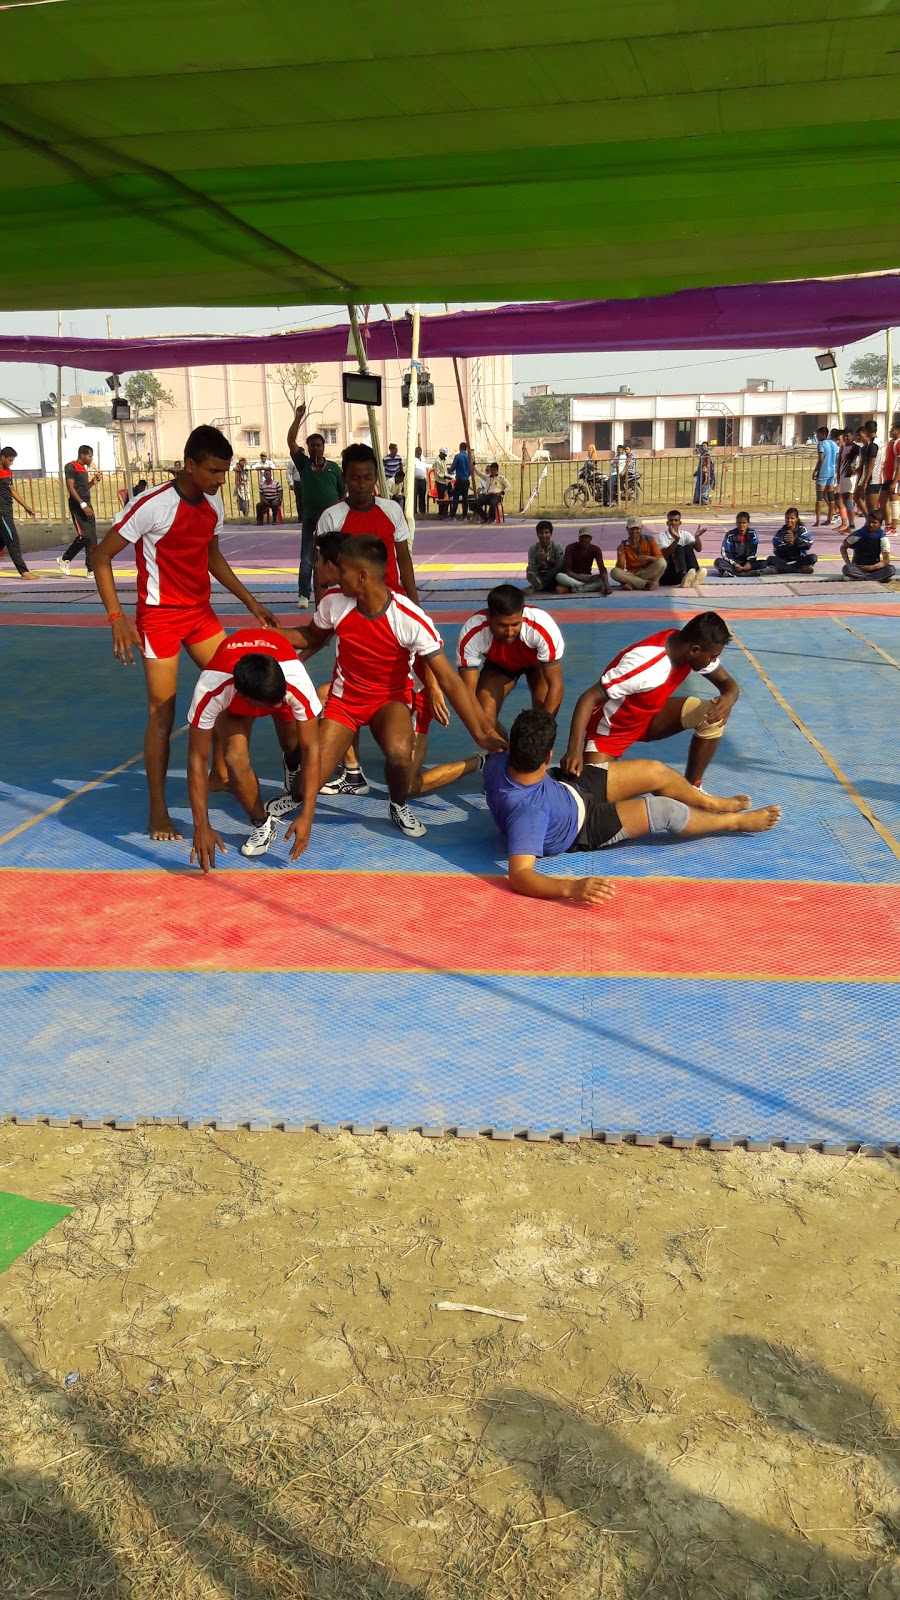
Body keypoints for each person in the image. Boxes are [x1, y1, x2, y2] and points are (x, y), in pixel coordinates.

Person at [92, 425, 280, 842]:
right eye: (214, 471)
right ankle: (158, 810)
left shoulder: (213, 504)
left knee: (236, 684)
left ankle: (219, 773)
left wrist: (251, 603)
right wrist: (116, 617)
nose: (220, 480)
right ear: (189, 465)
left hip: (200, 615)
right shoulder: (152, 505)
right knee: (163, 713)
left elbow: (213, 557)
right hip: (159, 618)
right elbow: (101, 556)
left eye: (224, 471)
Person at [287, 535, 503, 839]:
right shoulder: (334, 603)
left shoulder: (408, 617)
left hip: (390, 701)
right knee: (302, 789)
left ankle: (397, 803)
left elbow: (449, 680)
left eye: (343, 570)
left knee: (401, 755)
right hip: (346, 702)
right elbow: (311, 637)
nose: (337, 575)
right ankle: (302, 788)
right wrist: (268, 634)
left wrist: (479, 733)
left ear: (362, 576)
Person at [486, 708, 779, 905]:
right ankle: (733, 822)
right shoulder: (529, 813)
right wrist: (571, 888)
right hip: (585, 825)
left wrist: (470, 764)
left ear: (511, 747)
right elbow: (520, 877)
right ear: (548, 755)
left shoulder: (496, 761)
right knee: (665, 811)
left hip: (568, 785)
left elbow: (482, 761)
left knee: (655, 771)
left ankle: (710, 802)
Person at [186, 627, 321, 870]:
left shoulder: (295, 680)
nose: (278, 705)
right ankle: (262, 822)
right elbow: (197, 758)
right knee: (234, 758)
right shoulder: (212, 687)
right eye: (273, 704)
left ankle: (291, 765)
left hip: (278, 689)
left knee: (293, 744)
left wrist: (307, 816)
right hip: (238, 703)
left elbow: (312, 748)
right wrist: (201, 825)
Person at [563, 611, 739, 789]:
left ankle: (693, 787)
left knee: (711, 716)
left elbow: (727, 683)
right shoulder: (645, 665)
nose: (714, 660)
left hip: (648, 718)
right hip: (609, 733)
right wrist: (573, 750)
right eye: (713, 656)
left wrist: (728, 699)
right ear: (695, 650)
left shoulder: (685, 646)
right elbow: (588, 697)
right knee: (593, 793)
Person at [316, 442, 418, 602]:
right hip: (345, 606)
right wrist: (320, 610)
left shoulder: (392, 511)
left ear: (376, 477)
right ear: (344, 477)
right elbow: (321, 570)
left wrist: (415, 604)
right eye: (355, 478)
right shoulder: (330, 517)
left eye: (367, 478)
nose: (362, 485)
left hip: (389, 602)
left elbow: (404, 560)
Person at [456, 583, 565, 734]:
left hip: (537, 665)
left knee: (542, 717)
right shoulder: (472, 632)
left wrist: (543, 734)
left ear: (522, 614)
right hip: (499, 665)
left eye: (515, 624)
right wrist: (488, 735)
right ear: (488, 617)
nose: (509, 632)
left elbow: (556, 685)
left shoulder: (542, 626)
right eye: (502, 625)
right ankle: (504, 748)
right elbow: (468, 692)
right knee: (483, 718)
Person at [286, 403, 345, 609]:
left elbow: (342, 494)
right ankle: (304, 595)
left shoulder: (334, 468)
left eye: (318, 445)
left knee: (335, 555)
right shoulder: (303, 464)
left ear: (323, 447)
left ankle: (338, 590)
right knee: (307, 557)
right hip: (311, 519)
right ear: (308, 448)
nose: (315, 448)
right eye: (312, 445)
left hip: (332, 521)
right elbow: (290, 441)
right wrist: (298, 417)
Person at [57, 445, 102, 576]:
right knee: (84, 535)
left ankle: (91, 568)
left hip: (87, 503)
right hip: (78, 505)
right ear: (82, 455)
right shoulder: (71, 466)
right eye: (89, 456)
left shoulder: (83, 469)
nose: (91, 459)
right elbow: (71, 488)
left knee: (92, 537)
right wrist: (82, 505)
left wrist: (92, 482)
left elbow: (83, 488)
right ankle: (65, 558)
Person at [0, 445, 39, 579]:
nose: (11, 463)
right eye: (10, 460)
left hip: (8, 509)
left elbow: (12, 490)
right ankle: (24, 572)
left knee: (3, 540)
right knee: (12, 540)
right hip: (1, 511)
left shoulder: (8, 471)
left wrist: (26, 506)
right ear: (3, 457)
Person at [610, 515, 665, 590]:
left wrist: (649, 558)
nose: (634, 531)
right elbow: (620, 568)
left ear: (641, 528)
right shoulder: (624, 545)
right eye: (632, 529)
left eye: (637, 529)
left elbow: (659, 559)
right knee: (614, 572)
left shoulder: (650, 540)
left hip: (648, 572)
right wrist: (619, 554)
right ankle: (645, 584)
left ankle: (632, 582)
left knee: (662, 562)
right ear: (627, 529)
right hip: (632, 573)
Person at [840, 509, 895, 582]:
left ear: (880, 523)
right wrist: (848, 563)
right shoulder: (857, 535)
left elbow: (886, 561)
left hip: (875, 568)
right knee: (847, 568)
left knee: (891, 569)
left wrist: (870, 568)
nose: (870, 525)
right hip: (859, 568)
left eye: (874, 522)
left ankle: (860, 578)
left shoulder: (883, 538)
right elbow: (843, 548)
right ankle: (874, 578)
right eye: (869, 522)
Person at [656, 508, 705, 589]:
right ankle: (683, 576)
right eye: (671, 520)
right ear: (667, 523)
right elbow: (665, 554)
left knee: (688, 547)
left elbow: (698, 549)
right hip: (669, 573)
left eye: (676, 520)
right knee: (677, 547)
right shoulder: (662, 536)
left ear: (680, 523)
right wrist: (676, 540)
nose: (673, 523)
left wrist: (697, 537)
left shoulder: (685, 534)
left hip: (684, 572)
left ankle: (693, 573)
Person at [556, 527, 611, 595]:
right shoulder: (570, 548)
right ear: (579, 538)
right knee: (559, 576)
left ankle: (573, 589)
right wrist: (587, 580)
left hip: (586, 575)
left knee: (601, 581)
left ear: (591, 539)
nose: (584, 540)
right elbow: (567, 571)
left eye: (587, 537)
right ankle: (583, 587)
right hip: (572, 576)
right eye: (582, 537)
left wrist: (607, 585)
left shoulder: (595, 549)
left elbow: (602, 568)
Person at [767, 508, 817, 573]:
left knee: (813, 558)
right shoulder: (780, 533)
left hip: (799, 559)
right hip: (784, 560)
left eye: (792, 518)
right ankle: (798, 570)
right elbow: (776, 550)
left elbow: (808, 544)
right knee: (770, 559)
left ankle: (781, 570)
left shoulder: (801, 530)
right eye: (787, 518)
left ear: (796, 519)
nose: (789, 520)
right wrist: (788, 545)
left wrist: (795, 540)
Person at [524, 520, 564, 594]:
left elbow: (560, 565)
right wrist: (540, 565)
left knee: (562, 562)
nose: (544, 535)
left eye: (546, 532)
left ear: (551, 534)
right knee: (529, 568)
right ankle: (540, 585)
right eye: (541, 533)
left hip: (554, 575)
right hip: (540, 575)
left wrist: (547, 559)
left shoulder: (557, 546)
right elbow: (532, 566)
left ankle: (538, 586)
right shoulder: (533, 549)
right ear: (537, 534)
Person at [854, 420, 884, 518]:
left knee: (872, 507)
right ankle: (869, 521)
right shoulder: (879, 442)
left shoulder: (873, 445)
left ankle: (876, 524)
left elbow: (871, 464)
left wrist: (865, 481)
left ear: (866, 431)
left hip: (873, 478)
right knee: (865, 502)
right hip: (876, 476)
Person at [813, 425, 839, 527]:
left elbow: (821, 459)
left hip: (824, 471)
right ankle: (830, 518)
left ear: (823, 434)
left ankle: (818, 520)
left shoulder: (822, 444)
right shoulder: (834, 444)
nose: (817, 436)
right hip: (832, 471)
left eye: (818, 435)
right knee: (831, 496)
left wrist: (816, 470)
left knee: (819, 497)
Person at [834, 429, 859, 531]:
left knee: (849, 499)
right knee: (844, 499)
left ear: (852, 436)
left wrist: (855, 469)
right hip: (842, 476)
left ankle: (852, 525)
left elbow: (862, 460)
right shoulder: (843, 447)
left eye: (847, 436)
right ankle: (848, 524)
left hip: (850, 477)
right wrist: (838, 477)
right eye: (844, 436)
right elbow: (840, 463)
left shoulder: (855, 448)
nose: (846, 438)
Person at [881, 422, 900, 537]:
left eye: (892, 430)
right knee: (882, 500)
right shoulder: (890, 443)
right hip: (887, 477)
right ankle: (887, 525)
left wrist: (895, 481)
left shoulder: (898, 443)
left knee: (894, 503)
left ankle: (894, 528)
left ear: (898, 431)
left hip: (895, 478)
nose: (890, 432)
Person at [450, 441, 471, 519]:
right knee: (465, 498)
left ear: (460, 448)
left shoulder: (458, 456)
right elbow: (471, 470)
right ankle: (464, 515)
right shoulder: (469, 457)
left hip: (459, 480)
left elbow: (453, 468)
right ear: (466, 448)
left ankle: (453, 515)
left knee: (456, 498)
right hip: (466, 480)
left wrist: (450, 470)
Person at [693, 441, 716, 507]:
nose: (704, 447)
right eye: (703, 446)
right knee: (699, 486)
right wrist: (697, 471)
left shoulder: (708, 454)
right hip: (701, 471)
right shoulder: (703, 453)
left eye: (705, 445)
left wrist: (707, 471)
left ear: (708, 446)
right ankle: (698, 500)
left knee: (704, 486)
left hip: (705, 471)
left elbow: (708, 463)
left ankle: (705, 500)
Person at [433, 447, 453, 518]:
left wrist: (449, 471)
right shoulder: (437, 461)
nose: (445, 456)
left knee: (451, 495)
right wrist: (445, 477)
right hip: (440, 481)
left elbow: (444, 470)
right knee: (441, 498)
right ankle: (441, 513)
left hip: (446, 481)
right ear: (441, 453)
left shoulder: (444, 460)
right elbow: (438, 473)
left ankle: (447, 511)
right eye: (444, 454)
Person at [413, 446, 429, 519]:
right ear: (415, 452)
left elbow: (425, 466)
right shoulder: (413, 459)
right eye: (418, 453)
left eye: (420, 453)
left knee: (422, 496)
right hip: (415, 480)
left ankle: (422, 511)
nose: (419, 454)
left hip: (422, 480)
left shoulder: (423, 458)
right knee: (415, 496)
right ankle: (414, 511)